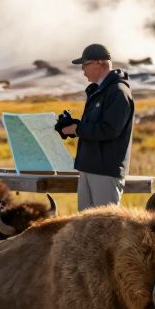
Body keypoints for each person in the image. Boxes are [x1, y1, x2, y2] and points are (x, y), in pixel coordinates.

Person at [57, 43, 134, 210]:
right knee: (84, 229)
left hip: (105, 171)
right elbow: (96, 126)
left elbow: (110, 129)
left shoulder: (118, 91)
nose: (82, 71)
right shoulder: (99, 90)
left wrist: (76, 129)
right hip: (88, 167)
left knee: (105, 229)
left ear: (99, 62)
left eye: (85, 65)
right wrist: (74, 125)